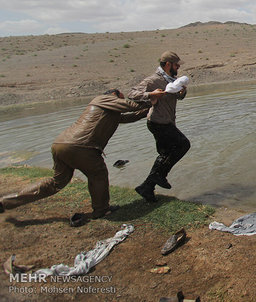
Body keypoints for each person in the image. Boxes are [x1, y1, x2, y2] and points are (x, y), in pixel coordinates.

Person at [0, 90, 149, 218]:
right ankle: (101, 210)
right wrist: (153, 99)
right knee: (98, 174)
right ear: (113, 95)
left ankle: (6, 202)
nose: (121, 100)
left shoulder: (108, 112)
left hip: (61, 145)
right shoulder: (103, 98)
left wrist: (150, 110)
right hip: (80, 147)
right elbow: (130, 106)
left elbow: (131, 116)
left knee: (57, 182)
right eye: (120, 97)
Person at [128, 51, 190, 202]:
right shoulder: (153, 80)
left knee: (164, 154)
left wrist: (182, 92)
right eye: (176, 65)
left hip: (166, 121)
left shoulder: (172, 80)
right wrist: (151, 94)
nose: (178, 68)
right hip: (158, 122)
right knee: (183, 145)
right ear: (168, 64)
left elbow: (175, 97)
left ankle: (147, 188)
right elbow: (132, 93)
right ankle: (159, 176)